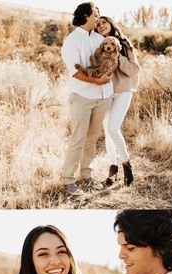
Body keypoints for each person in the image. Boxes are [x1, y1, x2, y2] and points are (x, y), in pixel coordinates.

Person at [61, 2, 115, 197]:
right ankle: (68, 180)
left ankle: (87, 175)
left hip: (103, 96)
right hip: (82, 96)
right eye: (95, 15)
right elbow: (75, 72)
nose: (98, 19)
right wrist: (96, 81)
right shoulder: (72, 40)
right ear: (85, 16)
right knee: (78, 138)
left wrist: (106, 81)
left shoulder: (100, 38)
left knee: (92, 139)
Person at [96, 17, 140, 187]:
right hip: (106, 91)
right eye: (98, 24)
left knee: (114, 128)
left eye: (104, 23)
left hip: (123, 90)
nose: (101, 26)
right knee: (108, 131)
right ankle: (113, 170)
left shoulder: (124, 44)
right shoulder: (99, 45)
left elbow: (134, 69)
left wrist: (117, 56)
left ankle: (127, 165)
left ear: (111, 24)